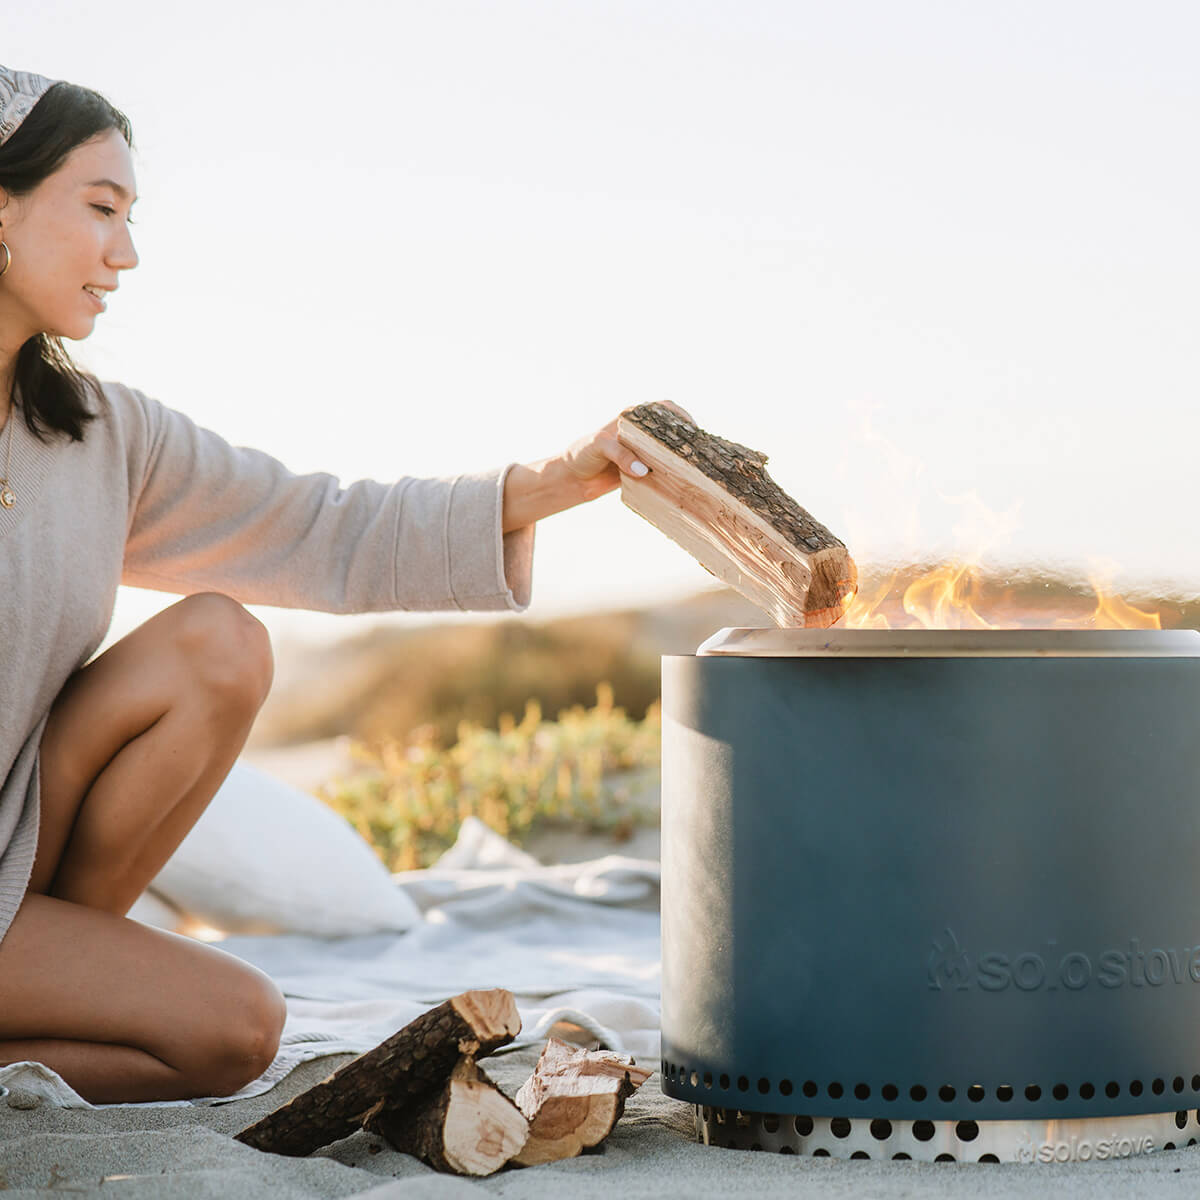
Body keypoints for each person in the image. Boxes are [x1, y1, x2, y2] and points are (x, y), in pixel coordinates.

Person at [0, 66, 668, 1104]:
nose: (124, 254)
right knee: (238, 1028)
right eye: (100, 211)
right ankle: (67, 983)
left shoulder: (99, 433)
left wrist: (542, 488)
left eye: (131, 216)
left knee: (220, 639)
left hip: (16, 857)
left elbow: (318, 524)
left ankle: (69, 969)